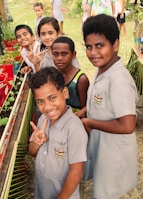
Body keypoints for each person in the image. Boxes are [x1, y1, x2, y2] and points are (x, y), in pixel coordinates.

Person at [82, 14, 138, 199]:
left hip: (114, 154)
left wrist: (90, 122)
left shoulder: (119, 80)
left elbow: (127, 125)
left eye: (100, 46)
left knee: (107, 193)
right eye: (89, 47)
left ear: (115, 45)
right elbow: (102, 105)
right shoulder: (103, 71)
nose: (93, 52)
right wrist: (83, 113)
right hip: (103, 148)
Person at [28, 67, 88, 199]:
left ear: (65, 93)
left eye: (52, 98)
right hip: (42, 190)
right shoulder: (43, 120)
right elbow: (32, 152)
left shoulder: (74, 128)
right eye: (40, 102)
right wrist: (36, 142)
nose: (47, 107)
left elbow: (76, 172)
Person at [51, 36, 90, 115]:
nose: (59, 58)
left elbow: (86, 108)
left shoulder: (80, 79)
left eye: (64, 54)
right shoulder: (53, 75)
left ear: (73, 55)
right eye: (55, 54)